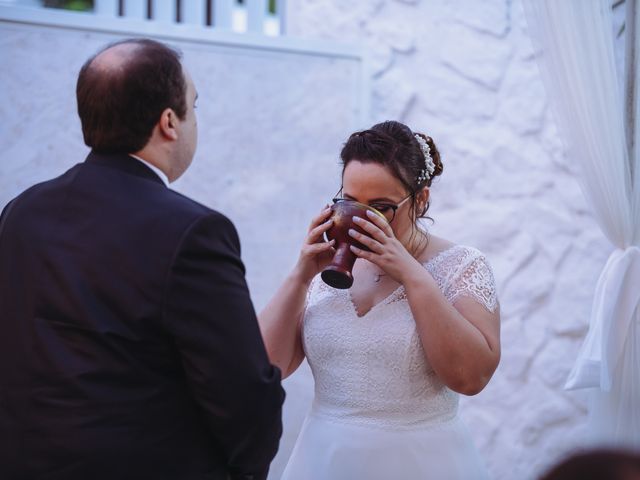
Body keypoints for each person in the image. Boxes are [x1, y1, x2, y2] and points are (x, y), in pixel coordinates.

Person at [0, 38, 284, 480]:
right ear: (169, 122)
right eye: (194, 104)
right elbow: (243, 393)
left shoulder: (21, 211)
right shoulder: (193, 232)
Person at [259, 120, 500, 479]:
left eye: (381, 207)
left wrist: (412, 275)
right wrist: (301, 274)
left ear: (421, 199)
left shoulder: (462, 267)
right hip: (324, 459)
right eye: (349, 202)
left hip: (422, 463)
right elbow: (265, 367)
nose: (361, 218)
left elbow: (471, 377)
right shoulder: (326, 267)